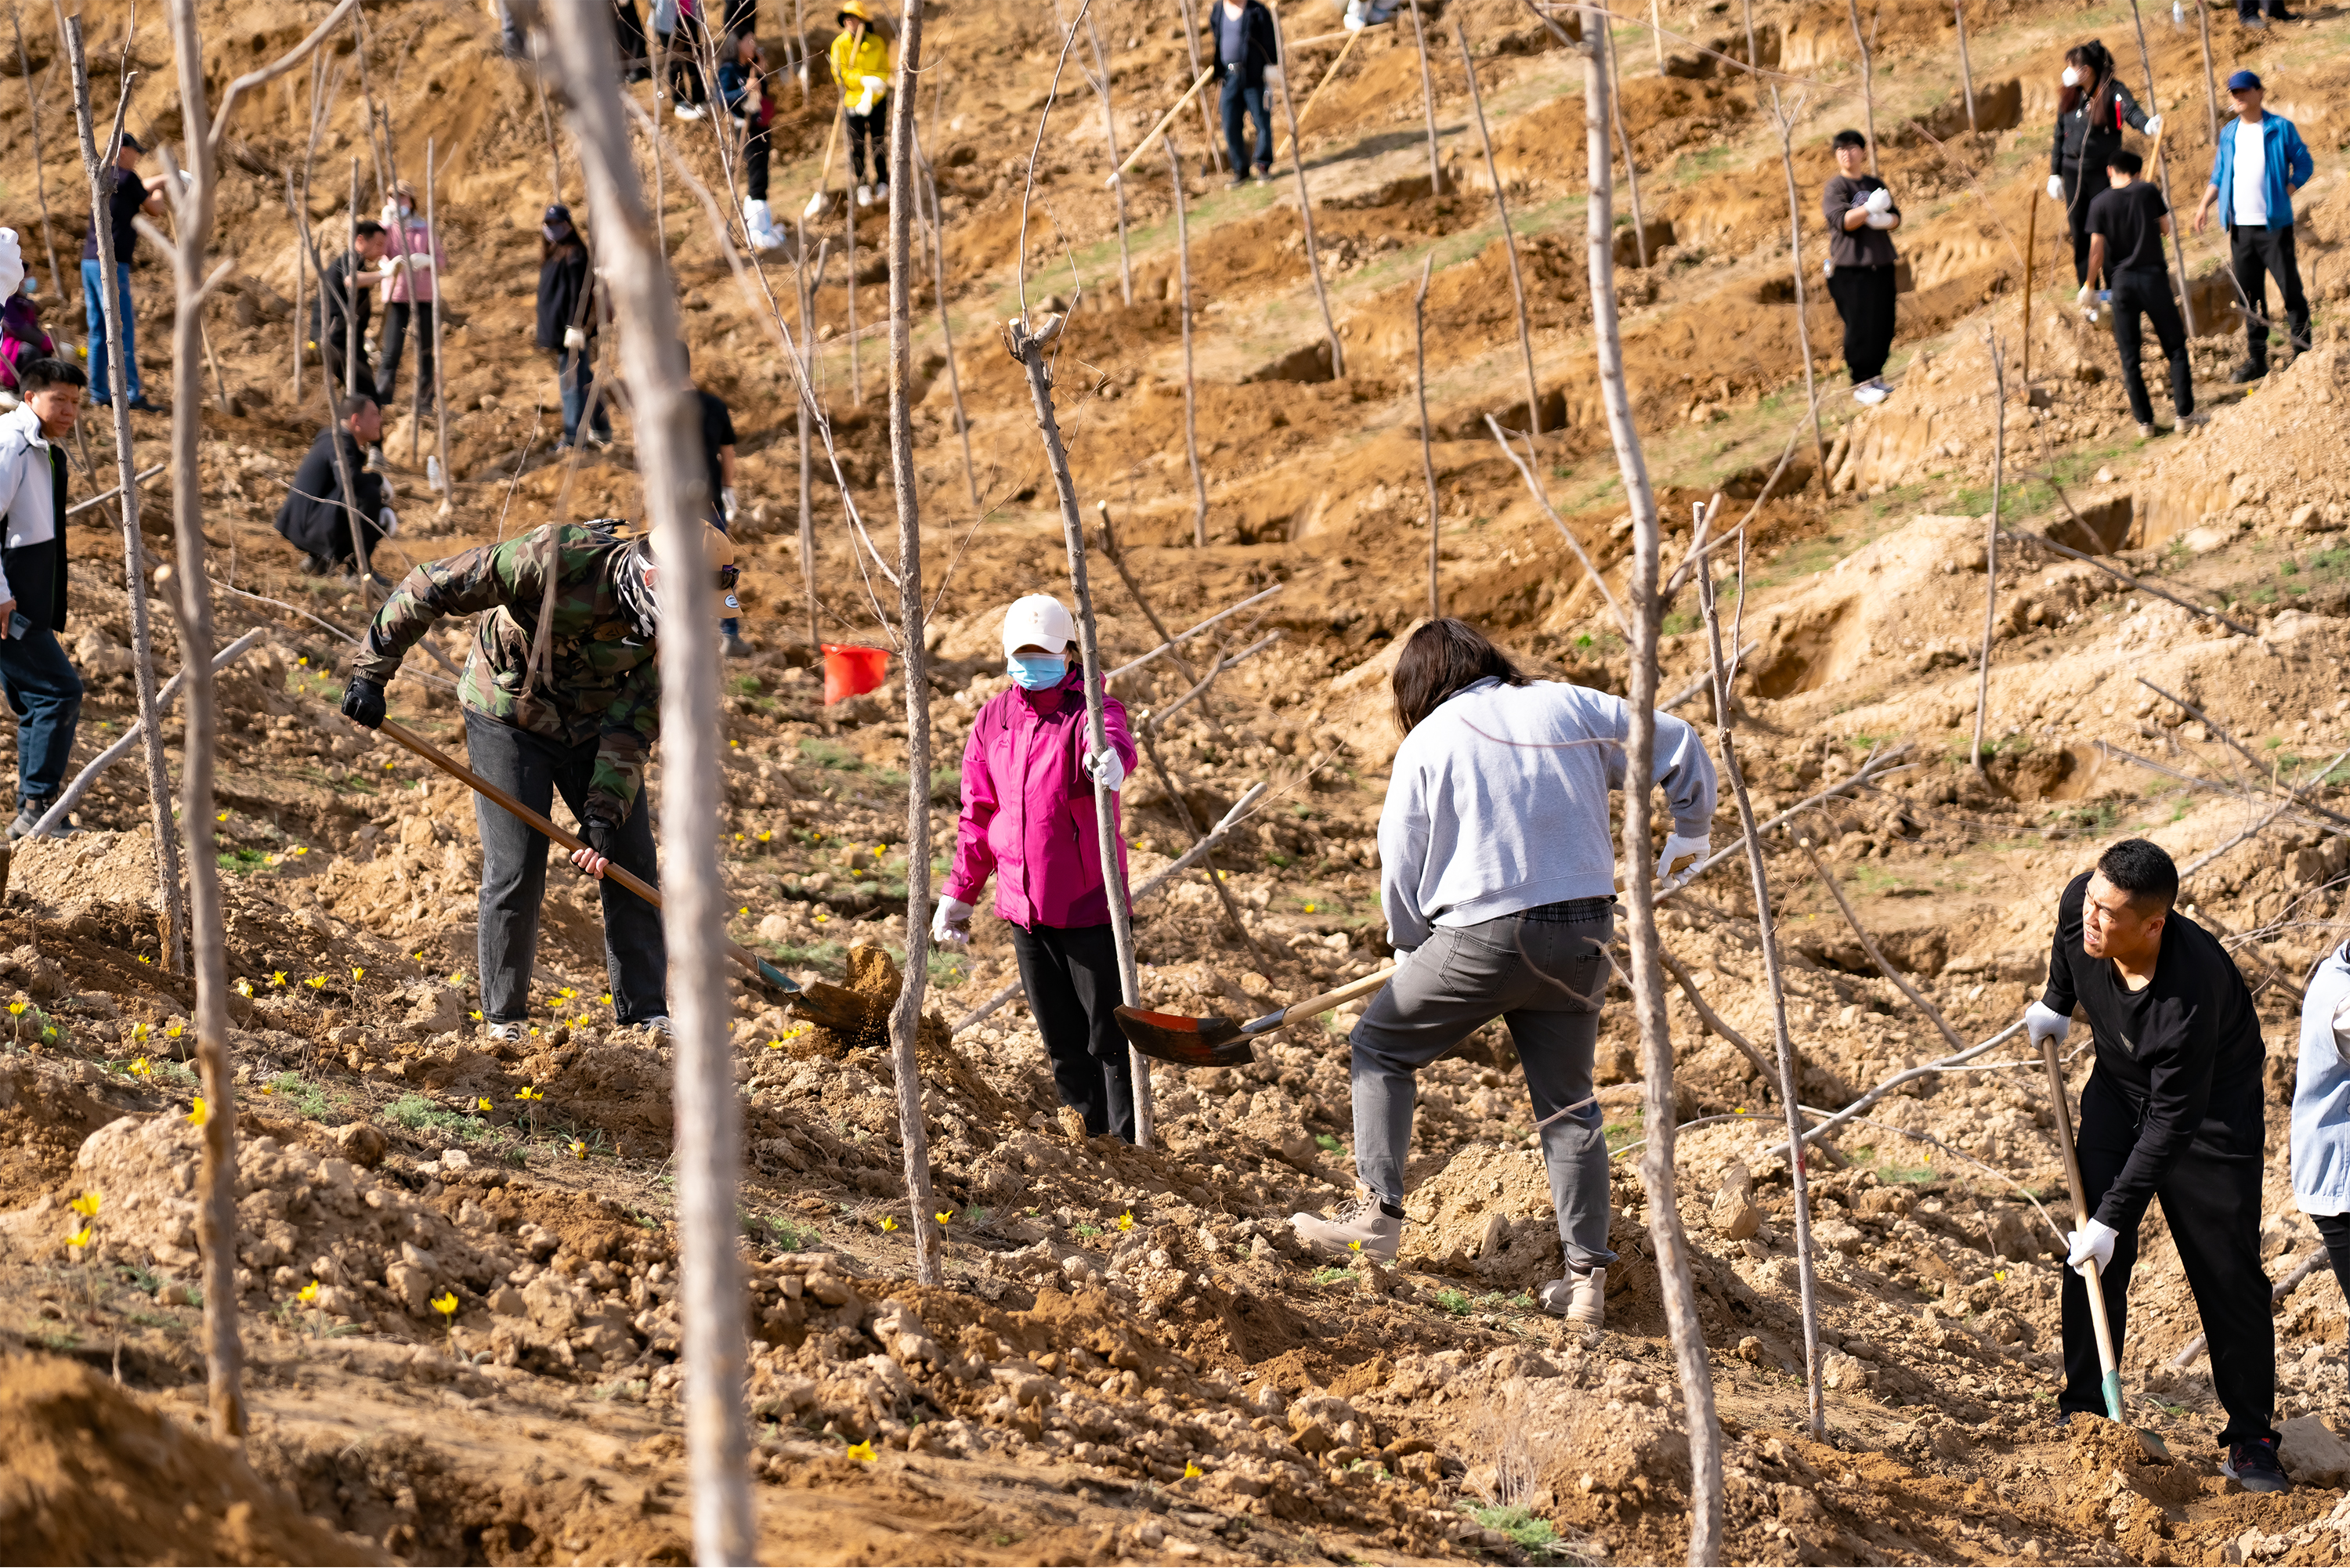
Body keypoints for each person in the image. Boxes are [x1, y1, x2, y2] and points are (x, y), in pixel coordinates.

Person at [1289, 620, 1717, 1329]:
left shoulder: (1428, 739)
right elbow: (1674, 738)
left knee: (1380, 1047)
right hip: (1585, 931)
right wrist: (1692, 827)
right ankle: (1586, 1282)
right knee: (1567, 1106)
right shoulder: (1570, 704)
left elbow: (1400, 852)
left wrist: (1408, 943)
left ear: (1419, 685)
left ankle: (1376, 1217)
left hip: (1483, 938)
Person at [339, 520, 743, 1040]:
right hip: (508, 712)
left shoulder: (671, 642)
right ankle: (505, 1019)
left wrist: (602, 814)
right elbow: (430, 584)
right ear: (654, 581)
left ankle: (646, 1012)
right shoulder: (552, 560)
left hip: (593, 725)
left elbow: (633, 726)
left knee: (632, 859)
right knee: (518, 862)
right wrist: (372, 671)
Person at [2026, 839, 2285, 1490]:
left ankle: (2250, 1437)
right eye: (2091, 900)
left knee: (2226, 1269)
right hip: (2118, 1089)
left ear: (2152, 924)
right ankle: (2086, 1409)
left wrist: (2116, 1216)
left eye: (2108, 913)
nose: (2091, 918)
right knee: (2090, 1257)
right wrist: (2058, 1000)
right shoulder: (2082, 908)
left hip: (2207, 1113)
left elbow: (2175, 1122)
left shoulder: (2186, 999)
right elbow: (2069, 945)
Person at [934, 594, 1141, 1140]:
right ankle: (1086, 1136)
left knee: (1109, 1038)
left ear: (1070, 654)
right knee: (1061, 1040)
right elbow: (978, 813)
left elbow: (1113, 739)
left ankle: (1128, 1144)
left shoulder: (1091, 710)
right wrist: (960, 893)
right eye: (1022, 653)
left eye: (1044, 652)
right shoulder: (994, 718)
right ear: (1007, 656)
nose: (1033, 663)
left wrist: (1112, 759)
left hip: (1087, 903)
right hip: (1023, 908)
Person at [0, 356, 85, 839]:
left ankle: (34, 809)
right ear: (30, 397)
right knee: (58, 691)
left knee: (37, 699)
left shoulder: (41, 447)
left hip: (25, 596)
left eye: (76, 402)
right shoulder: (11, 447)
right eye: (60, 400)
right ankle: (37, 810)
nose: (70, 410)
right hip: (7, 601)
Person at [2193, 71, 2314, 384]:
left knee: (2290, 290)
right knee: (2249, 296)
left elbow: (2304, 164)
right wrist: (2204, 205)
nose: (2238, 97)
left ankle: (2302, 352)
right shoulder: (2229, 133)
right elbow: (2219, 174)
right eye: (2234, 92)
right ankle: (2257, 359)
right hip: (2241, 229)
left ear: (2260, 93)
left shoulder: (2279, 128)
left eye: (2244, 91)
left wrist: (2286, 192)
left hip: (2274, 227)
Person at [2081, 150, 2202, 440]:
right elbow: (2166, 228)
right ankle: (2184, 416)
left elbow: (2096, 252)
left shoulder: (2099, 204)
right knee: (2174, 348)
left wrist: (2088, 285)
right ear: (2137, 172)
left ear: (2110, 171)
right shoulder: (2148, 190)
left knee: (2130, 357)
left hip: (2121, 285)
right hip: (2153, 279)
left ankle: (2145, 423)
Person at [2047, 42, 2159, 287]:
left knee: (2106, 233)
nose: (2067, 73)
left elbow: (2131, 111)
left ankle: (2115, 287)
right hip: (2073, 172)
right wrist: (2054, 173)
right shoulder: (2070, 95)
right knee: (2080, 234)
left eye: (2072, 68)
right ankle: (2088, 291)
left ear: (2086, 71)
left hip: (2102, 174)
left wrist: (2147, 125)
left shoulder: (2113, 91)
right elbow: (2059, 133)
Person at [80, 132, 165, 413]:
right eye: (135, 151)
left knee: (97, 329)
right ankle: (131, 393)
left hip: (90, 260)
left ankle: (98, 392)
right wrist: (165, 188)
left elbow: (140, 187)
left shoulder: (106, 175)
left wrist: (157, 181)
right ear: (122, 150)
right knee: (122, 328)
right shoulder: (127, 178)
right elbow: (155, 209)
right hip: (113, 265)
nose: (138, 156)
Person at [273, 396, 395, 580]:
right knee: (368, 495)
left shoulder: (337, 440)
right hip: (307, 528)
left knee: (369, 498)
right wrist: (378, 480)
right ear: (356, 420)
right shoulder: (338, 442)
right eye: (375, 414)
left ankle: (320, 562)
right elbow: (349, 480)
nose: (380, 420)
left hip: (307, 525)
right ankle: (358, 571)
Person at [1821, 128, 1901, 406]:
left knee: (1884, 322)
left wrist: (1883, 220)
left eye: (1852, 147)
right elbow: (1842, 221)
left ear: (1863, 152)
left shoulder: (1874, 182)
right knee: (1859, 324)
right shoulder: (1836, 188)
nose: (1847, 153)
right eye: (1841, 149)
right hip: (1850, 267)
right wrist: (1868, 210)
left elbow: (1896, 218)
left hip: (1881, 263)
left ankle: (1876, 376)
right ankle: (1861, 382)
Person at [680, 344, 747, 657]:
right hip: (710, 500)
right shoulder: (713, 405)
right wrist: (728, 486)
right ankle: (729, 634)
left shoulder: (660, 409)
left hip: (674, 503)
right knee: (720, 565)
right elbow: (728, 452)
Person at [536, 205, 611, 450]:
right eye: (548, 223)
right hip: (561, 332)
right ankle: (601, 430)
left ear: (568, 224)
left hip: (571, 332)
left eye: (556, 223)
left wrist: (575, 326)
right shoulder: (555, 251)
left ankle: (573, 438)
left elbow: (578, 294)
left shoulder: (575, 254)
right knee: (584, 380)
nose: (551, 228)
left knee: (571, 384)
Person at [375, 182, 446, 414]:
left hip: (424, 296)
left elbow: (441, 262)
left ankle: (426, 402)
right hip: (396, 296)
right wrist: (388, 262)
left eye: (402, 197)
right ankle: (383, 400)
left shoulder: (425, 229)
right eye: (392, 197)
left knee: (426, 349)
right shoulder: (385, 228)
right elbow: (376, 253)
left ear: (412, 201)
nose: (396, 201)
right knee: (391, 350)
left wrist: (427, 261)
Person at [719, 27, 782, 247]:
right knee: (755, 174)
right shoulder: (728, 70)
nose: (752, 45)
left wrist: (761, 74)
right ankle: (756, 228)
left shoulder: (749, 67)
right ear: (737, 44)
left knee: (762, 173)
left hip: (759, 124)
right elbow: (723, 97)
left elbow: (761, 94)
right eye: (749, 40)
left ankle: (764, 224)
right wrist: (744, 90)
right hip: (745, 127)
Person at [315, 218, 389, 407]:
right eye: (378, 244)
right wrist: (385, 274)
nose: (382, 251)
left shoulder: (354, 261)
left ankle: (348, 430)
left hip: (344, 340)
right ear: (361, 240)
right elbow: (351, 280)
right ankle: (361, 433)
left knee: (357, 395)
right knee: (367, 398)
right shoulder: (351, 258)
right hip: (337, 341)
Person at [1208, 0, 1279, 188]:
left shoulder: (1256, 11)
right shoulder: (1218, 11)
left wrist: (1270, 67)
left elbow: (1270, 42)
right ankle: (1240, 170)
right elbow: (1217, 37)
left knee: (1261, 121)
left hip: (1253, 76)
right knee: (1230, 124)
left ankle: (1263, 166)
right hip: (1229, 77)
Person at [830, 0, 892, 208]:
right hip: (853, 102)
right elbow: (840, 74)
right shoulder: (840, 44)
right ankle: (863, 185)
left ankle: (883, 182)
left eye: (853, 18)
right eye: (846, 18)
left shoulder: (876, 42)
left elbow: (884, 68)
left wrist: (876, 86)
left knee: (878, 142)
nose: (849, 21)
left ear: (863, 20)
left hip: (876, 100)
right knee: (857, 145)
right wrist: (862, 81)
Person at [655, 0, 710, 117]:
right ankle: (679, 101)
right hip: (668, 20)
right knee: (675, 63)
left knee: (694, 59)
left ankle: (700, 97)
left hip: (689, 16)